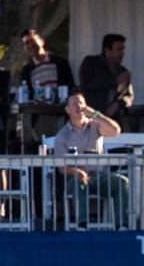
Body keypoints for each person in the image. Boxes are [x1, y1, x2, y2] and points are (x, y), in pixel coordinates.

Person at [51, 91, 127, 225]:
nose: (78, 106)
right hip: (75, 177)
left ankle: (122, 225)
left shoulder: (95, 125)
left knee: (121, 182)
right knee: (78, 183)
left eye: (81, 103)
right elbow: (61, 167)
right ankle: (83, 225)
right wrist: (75, 171)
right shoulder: (62, 135)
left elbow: (116, 131)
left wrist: (95, 114)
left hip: (99, 176)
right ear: (67, 110)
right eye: (74, 103)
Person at [78, 33, 134, 125]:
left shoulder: (122, 70)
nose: (122, 53)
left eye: (123, 50)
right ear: (107, 50)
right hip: (92, 116)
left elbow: (127, 95)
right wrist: (115, 80)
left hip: (114, 121)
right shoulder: (91, 62)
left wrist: (118, 103)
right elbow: (87, 83)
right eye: (119, 49)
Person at [18, 28, 75, 94]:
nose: (30, 45)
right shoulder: (26, 71)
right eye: (26, 43)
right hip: (38, 104)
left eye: (32, 41)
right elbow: (27, 96)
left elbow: (71, 88)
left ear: (42, 41)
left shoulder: (61, 62)